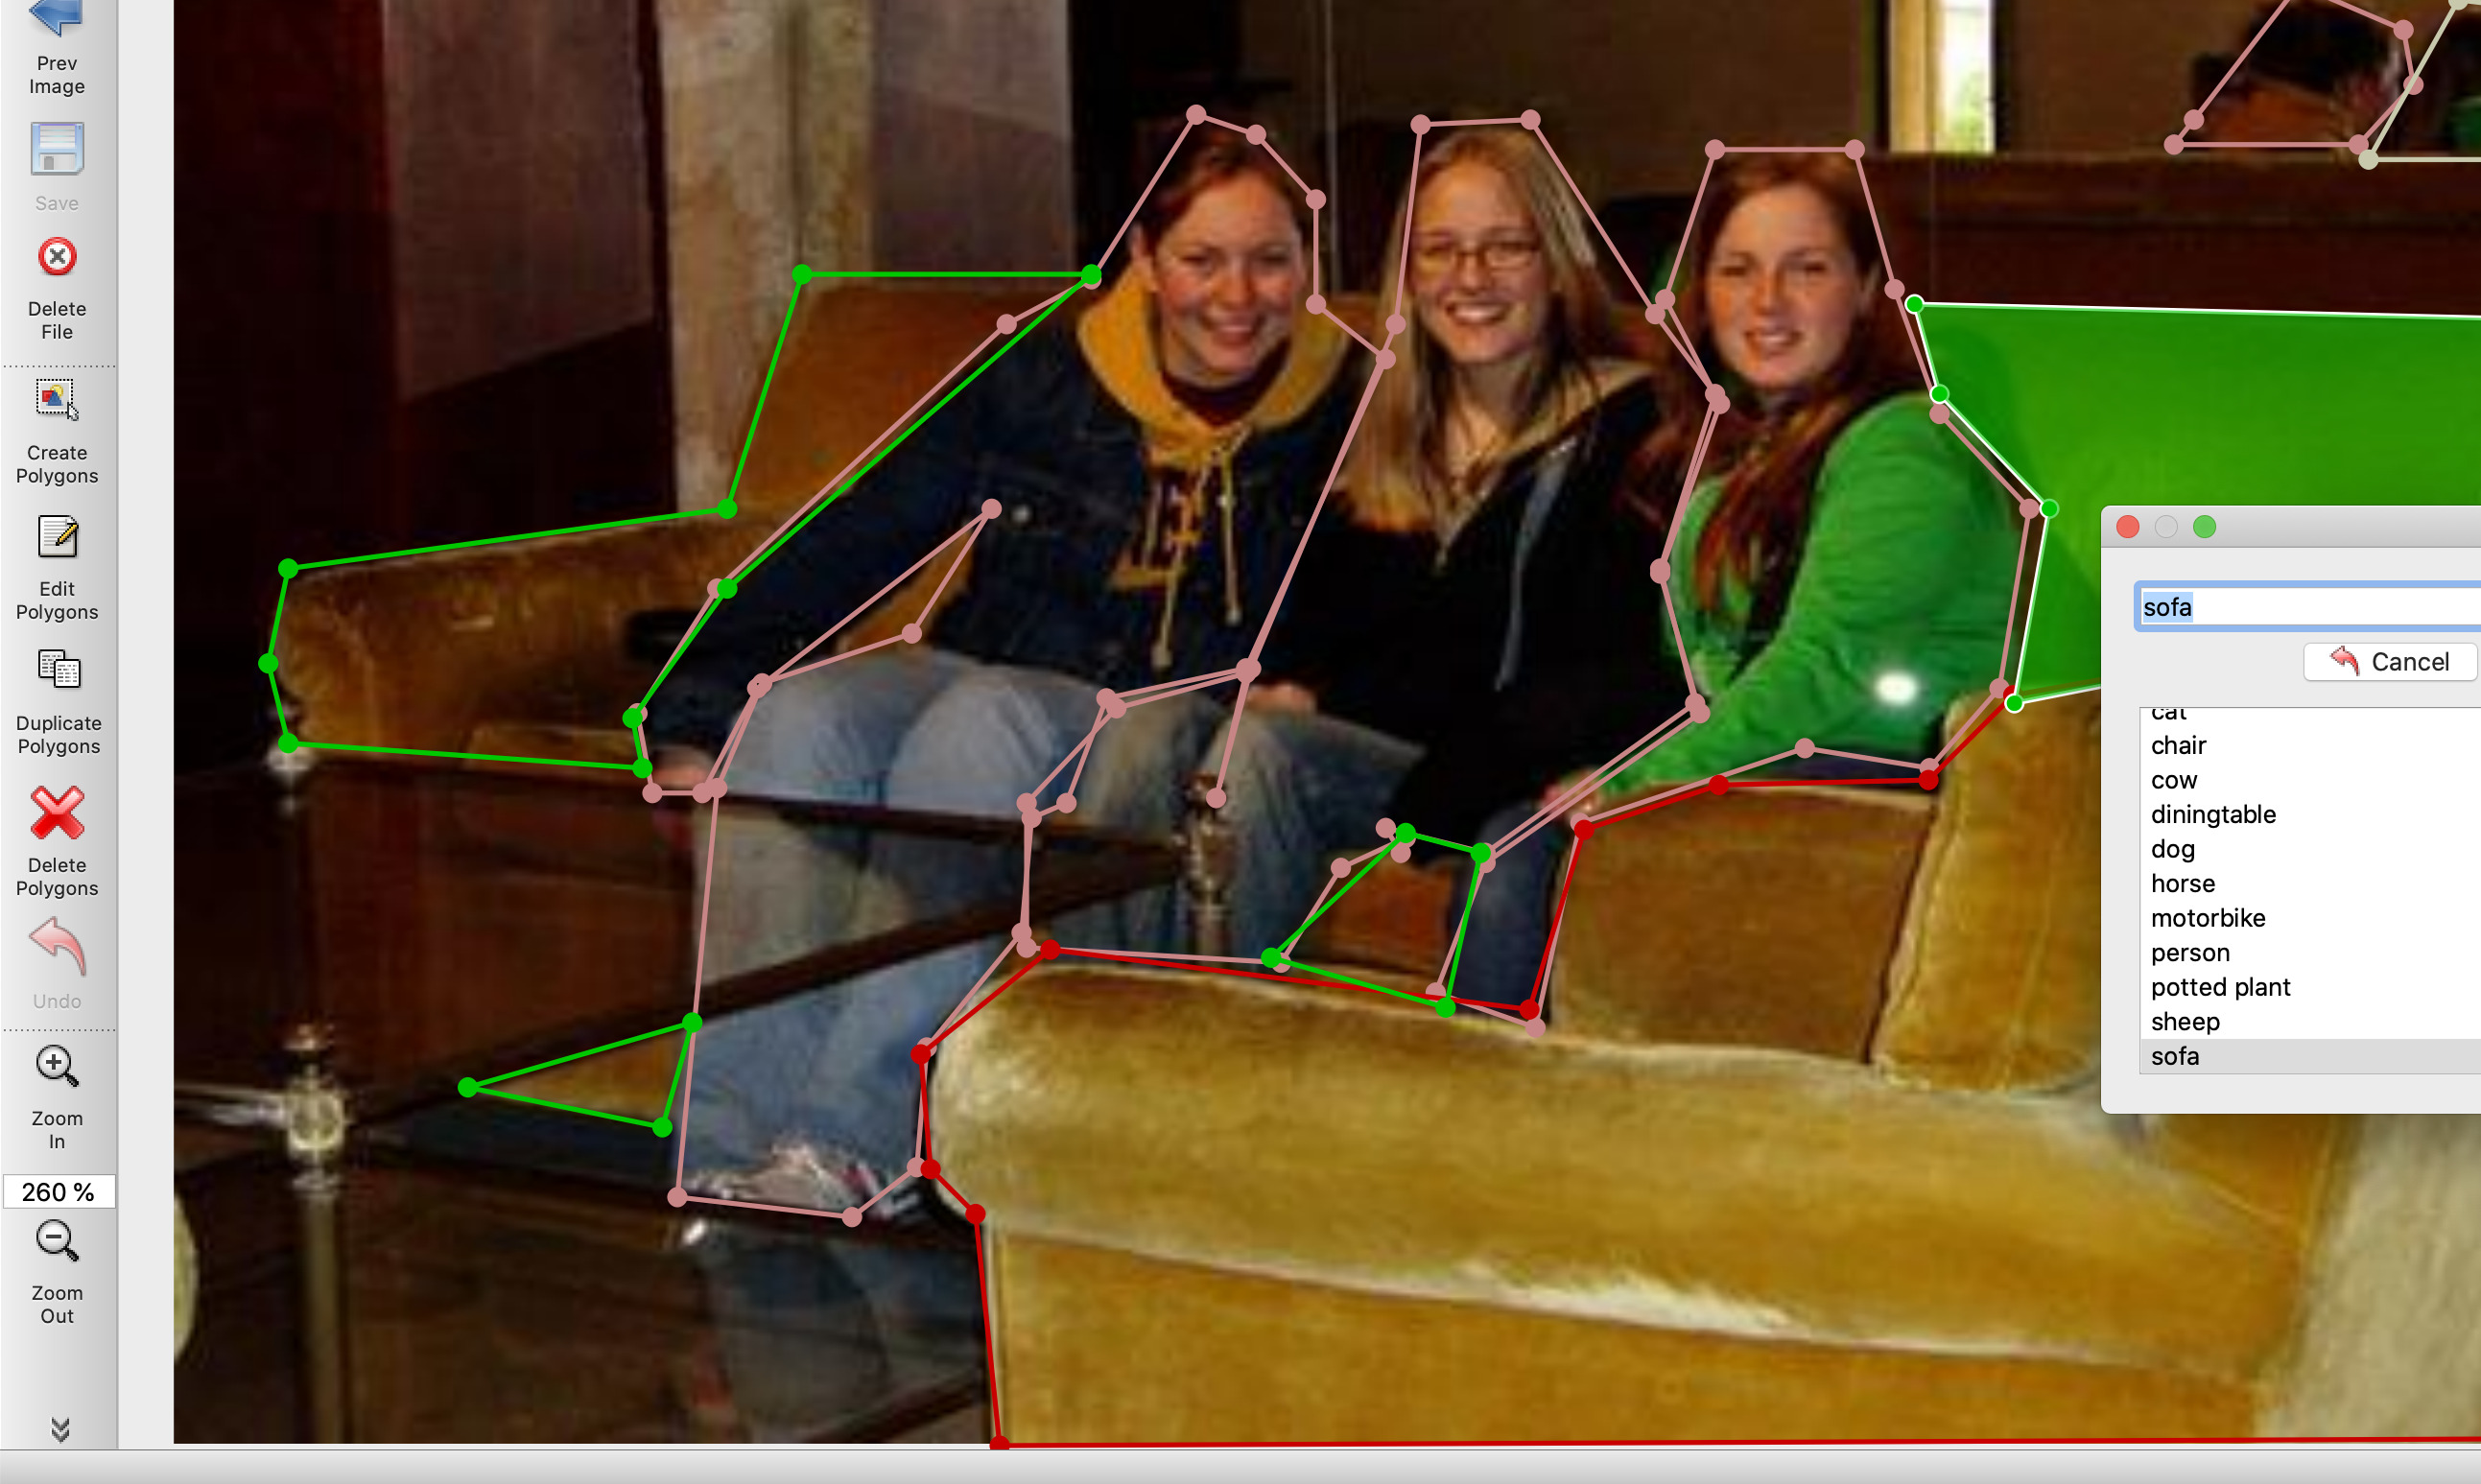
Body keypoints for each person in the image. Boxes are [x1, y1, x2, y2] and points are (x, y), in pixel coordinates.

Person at [648, 124, 1359, 1209]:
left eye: (1271, 260)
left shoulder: (1347, 404)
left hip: (1146, 710)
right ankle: (723, 1142)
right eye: (1202, 259)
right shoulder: (1049, 371)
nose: (1238, 295)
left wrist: (1317, 680)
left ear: (1310, 266)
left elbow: (1398, 585)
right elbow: (863, 527)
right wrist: (700, 710)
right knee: (800, 714)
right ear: (1145, 261)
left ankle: (862, 1140)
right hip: (983, 658)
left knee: (979, 721)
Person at [1452, 151, 2018, 1010]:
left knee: (1522, 846)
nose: (1767, 301)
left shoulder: (1907, 444)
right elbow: (1710, 672)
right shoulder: (1743, 451)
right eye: (1737, 270)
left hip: (1894, 784)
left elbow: (1821, 672)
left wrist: (1632, 781)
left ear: (1867, 289)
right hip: (1791, 766)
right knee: (1508, 811)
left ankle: (1497, 1084)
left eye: (1808, 269)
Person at [1224, 126, 1682, 991]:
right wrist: (1303, 691)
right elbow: (1307, 638)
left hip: (1512, 775)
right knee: (1211, 746)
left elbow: (1589, 678)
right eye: (1439, 250)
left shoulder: (1634, 432)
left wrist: (1332, 703)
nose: (1469, 278)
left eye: (1505, 247)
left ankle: (1233, 1029)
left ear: (1556, 264)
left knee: (1266, 753)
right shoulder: (1379, 429)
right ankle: (1171, 1032)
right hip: (1393, 763)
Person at [2190, 0, 2406, 146]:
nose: (2396, 99)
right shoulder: (2343, 174)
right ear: (2358, 87)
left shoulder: (2206, 140)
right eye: (2392, 82)